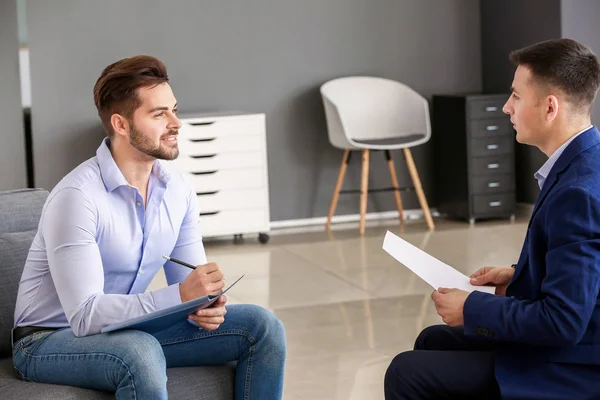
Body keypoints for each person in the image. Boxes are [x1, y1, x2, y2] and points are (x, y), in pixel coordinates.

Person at [11, 55, 286, 399]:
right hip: (48, 340)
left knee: (262, 328)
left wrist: (205, 303)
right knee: (139, 352)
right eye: (159, 114)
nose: (176, 123)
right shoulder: (77, 197)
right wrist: (181, 295)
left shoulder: (179, 190)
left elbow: (190, 284)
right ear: (121, 125)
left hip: (125, 329)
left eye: (173, 109)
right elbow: (84, 316)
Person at [384, 38, 600, 400]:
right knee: (432, 340)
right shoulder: (583, 164)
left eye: (515, 96)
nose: (505, 107)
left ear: (550, 107)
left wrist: (472, 307)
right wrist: (520, 274)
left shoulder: (576, 193)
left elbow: (564, 322)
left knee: (406, 372)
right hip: (579, 342)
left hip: (574, 367)